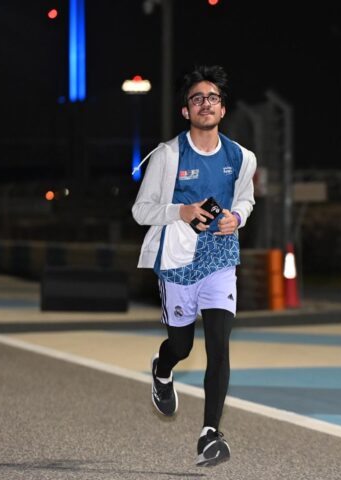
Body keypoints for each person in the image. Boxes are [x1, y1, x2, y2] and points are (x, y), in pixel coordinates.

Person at [131, 65, 256, 467]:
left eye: (212, 98)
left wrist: (237, 217)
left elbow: (246, 199)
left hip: (221, 259)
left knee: (219, 345)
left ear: (223, 108)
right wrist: (181, 211)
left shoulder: (241, 157)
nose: (206, 104)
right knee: (181, 347)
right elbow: (140, 211)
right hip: (177, 262)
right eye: (197, 98)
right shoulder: (168, 155)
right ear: (186, 110)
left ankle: (209, 435)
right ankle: (163, 369)